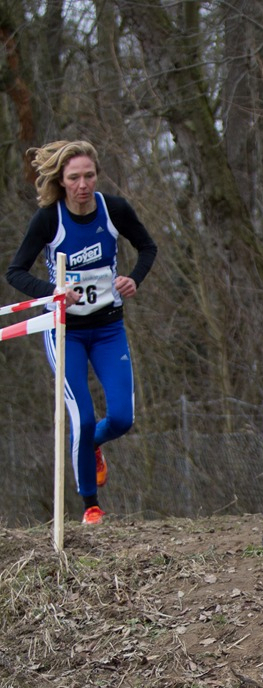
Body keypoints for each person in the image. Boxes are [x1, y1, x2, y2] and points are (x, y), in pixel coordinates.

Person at [6, 139, 157, 525]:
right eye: (74, 178)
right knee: (83, 418)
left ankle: (91, 446)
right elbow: (15, 272)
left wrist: (133, 279)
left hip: (108, 328)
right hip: (65, 332)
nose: (83, 184)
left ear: (97, 175)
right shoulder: (48, 219)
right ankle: (91, 506)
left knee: (122, 418)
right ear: (62, 180)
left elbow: (147, 247)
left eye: (89, 175)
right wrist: (53, 292)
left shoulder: (114, 210)